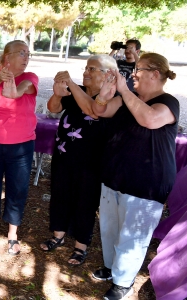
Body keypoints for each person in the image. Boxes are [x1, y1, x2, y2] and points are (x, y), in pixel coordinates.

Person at [90, 53, 178, 300]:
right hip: (115, 177)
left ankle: (123, 282)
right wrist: (104, 95)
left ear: (155, 74)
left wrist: (124, 91)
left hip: (146, 184)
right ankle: (111, 267)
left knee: (133, 237)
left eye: (139, 69)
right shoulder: (128, 100)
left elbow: (149, 119)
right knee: (110, 228)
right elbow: (100, 111)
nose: (133, 74)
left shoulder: (168, 103)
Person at [39, 55, 119, 266]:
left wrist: (72, 84)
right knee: (60, 195)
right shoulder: (77, 92)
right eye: (86, 67)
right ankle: (58, 234)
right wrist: (57, 94)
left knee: (85, 202)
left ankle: (81, 245)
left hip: (92, 163)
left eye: (92, 69)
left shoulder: (112, 98)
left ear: (108, 75)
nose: (86, 72)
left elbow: (92, 110)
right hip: (65, 157)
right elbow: (54, 108)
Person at [0, 40, 38, 255]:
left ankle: (12, 234)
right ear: (6, 57)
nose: (26, 57)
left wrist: (13, 89)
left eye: (28, 54)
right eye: (21, 53)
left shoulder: (30, 78)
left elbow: (21, 90)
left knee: (17, 189)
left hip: (21, 147)